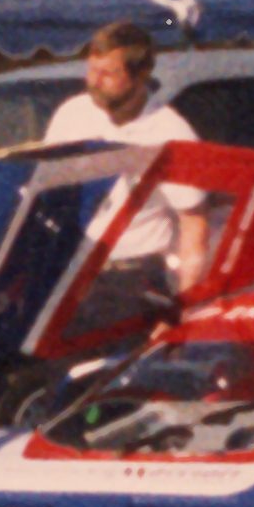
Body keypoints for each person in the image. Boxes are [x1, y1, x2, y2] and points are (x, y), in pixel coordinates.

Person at [42, 19, 210, 320]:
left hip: (132, 279)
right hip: (68, 272)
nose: (94, 81)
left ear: (141, 75)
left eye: (107, 73)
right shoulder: (71, 114)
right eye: (91, 70)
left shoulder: (171, 132)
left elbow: (193, 222)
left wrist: (186, 305)